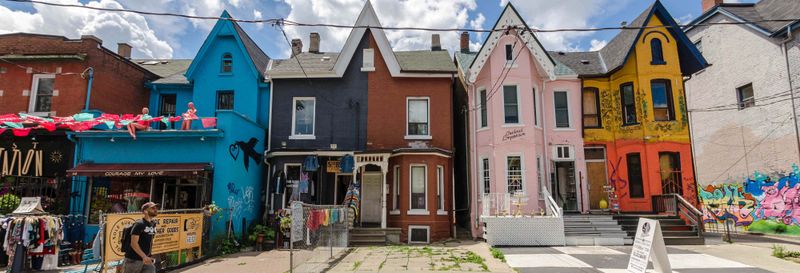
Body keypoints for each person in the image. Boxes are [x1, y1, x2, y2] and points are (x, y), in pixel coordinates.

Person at [124, 202, 158, 273]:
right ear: (145, 211)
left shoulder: (153, 224)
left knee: (151, 270)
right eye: (152, 208)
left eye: (156, 208)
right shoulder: (139, 224)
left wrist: (147, 256)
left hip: (146, 259)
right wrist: (144, 256)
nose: (155, 210)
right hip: (134, 259)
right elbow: (133, 243)